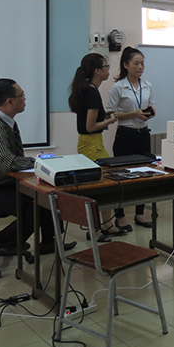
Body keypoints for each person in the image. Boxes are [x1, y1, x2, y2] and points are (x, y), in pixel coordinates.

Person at [0, 79, 75, 255]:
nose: (25, 99)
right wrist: (39, 162)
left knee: (48, 195)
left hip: (7, 182)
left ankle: (48, 243)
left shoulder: (6, 120)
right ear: (9, 101)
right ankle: (3, 238)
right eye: (22, 95)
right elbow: (8, 163)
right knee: (35, 210)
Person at [68, 53, 121, 241]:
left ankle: (107, 225)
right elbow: (90, 127)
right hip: (91, 144)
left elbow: (90, 121)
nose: (108, 70)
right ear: (97, 71)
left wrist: (105, 116)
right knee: (97, 188)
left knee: (106, 184)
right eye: (106, 67)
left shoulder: (89, 89)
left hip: (92, 142)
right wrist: (111, 121)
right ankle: (95, 230)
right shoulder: (91, 92)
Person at [106, 47, 156, 231]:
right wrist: (133, 114)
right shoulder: (118, 87)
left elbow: (150, 105)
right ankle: (120, 217)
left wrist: (150, 112)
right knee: (122, 176)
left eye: (142, 63)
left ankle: (140, 214)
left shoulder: (147, 85)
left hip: (143, 134)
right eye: (136, 63)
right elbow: (110, 114)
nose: (140, 67)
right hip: (125, 134)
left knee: (144, 174)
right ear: (126, 65)